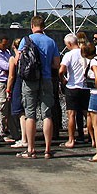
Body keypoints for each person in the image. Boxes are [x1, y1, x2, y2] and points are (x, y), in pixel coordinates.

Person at [15, 15, 61, 159]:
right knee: (47, 115)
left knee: (30, 114)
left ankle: (31, 149)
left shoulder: (26, 40)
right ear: (44, 26)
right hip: (46, 79)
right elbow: (56, 64)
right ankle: (48, 150)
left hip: (29, 80)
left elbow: (18, 61)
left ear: (32, 26)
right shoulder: (51, 42)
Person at [59, 32, 90, 148]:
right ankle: (93, 138)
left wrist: (63, 80)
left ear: (69, 43)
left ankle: (71, 140)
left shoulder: (69, 55)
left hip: (72, 86)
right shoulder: (85, 53)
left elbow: (61, 70)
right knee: (87, 113)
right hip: (85, 86)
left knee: (71, 114)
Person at [5, 37, 26, 149]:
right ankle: (26, 137)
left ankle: (24, 139)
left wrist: (8, 90)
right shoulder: (26, 57)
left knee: (19, 113)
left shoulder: (13, 59)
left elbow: (11, 76)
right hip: (27, 84)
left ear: (14, 46)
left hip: (17, 85)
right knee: (27, 112)